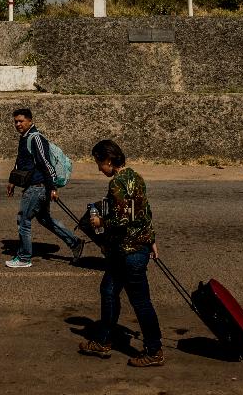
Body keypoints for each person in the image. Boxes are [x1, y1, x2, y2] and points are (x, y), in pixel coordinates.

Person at [78, 139, 164, 368]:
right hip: (133, 249)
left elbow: (123, 218)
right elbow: (144, 212)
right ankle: (104, 340)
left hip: (129, 252)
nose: (98, 168)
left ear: (108, 159)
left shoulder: (117, 183)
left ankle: (154, 350)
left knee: (141, 302)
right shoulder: (136, 177)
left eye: (98, 163)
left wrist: (99, 220)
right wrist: (151, 239)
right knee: (108, 290)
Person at [5, 108, 85, 269]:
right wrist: (12, 180)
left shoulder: (36, 138)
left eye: (21, 121)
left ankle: (24, 257)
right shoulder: (25, 138)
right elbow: (21, 161)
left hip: (38, 187)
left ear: (29, 120)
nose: (18, 124)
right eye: (16, 121)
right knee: (44, 219)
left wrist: (52, 187)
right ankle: (74, 242)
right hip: (36, 186)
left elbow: (46, 164)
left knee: (23, 220)